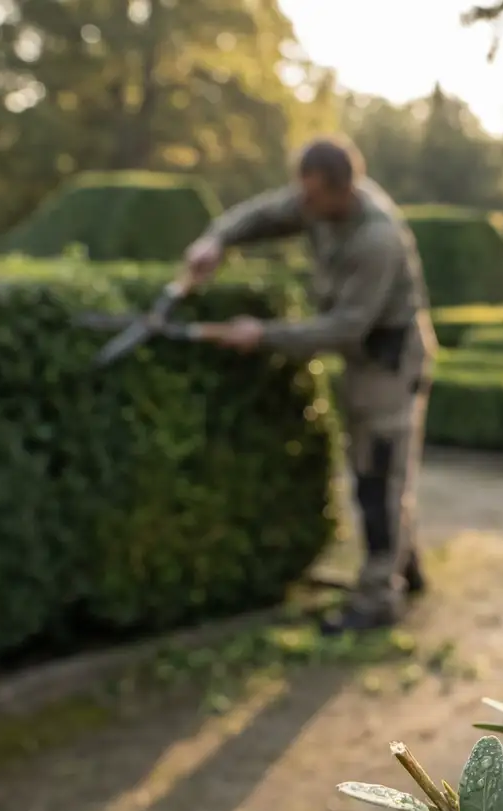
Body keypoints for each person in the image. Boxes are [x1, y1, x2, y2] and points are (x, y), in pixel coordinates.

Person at [178, 137, 437, 634]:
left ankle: (378, 599)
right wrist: (217, 239)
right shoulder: (316, 203)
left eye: (313, 197)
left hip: (387, 362)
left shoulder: (376, 239)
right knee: (376, 469)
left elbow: (345, 327)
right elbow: (264, 216)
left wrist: (263, 336)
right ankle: (404, 567)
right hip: (364, 359)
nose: (303, 206)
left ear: (343, 190)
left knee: (379, 475)